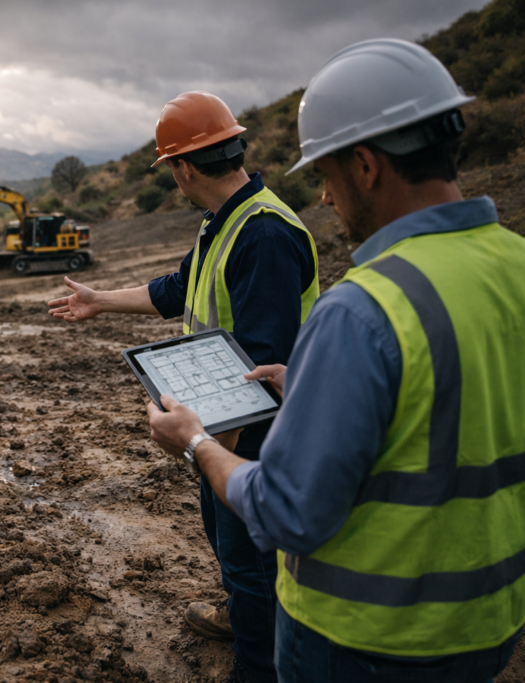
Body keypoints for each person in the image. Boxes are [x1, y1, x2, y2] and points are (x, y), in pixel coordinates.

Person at [146, 38, 525, 683]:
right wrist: (311, 385)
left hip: (363, 636)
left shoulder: (364, 310)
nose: (323, 199)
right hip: (488, 623)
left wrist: (197, 442)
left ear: (367, 165)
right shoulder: (515, 265)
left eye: (324, 174)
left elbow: (284, 510)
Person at [48, 91, 319, 683]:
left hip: (254, 433)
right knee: (231, 553)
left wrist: (212, 453)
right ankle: (243, 615)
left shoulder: (264, 235)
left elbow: (263, 369)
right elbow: (178, 289)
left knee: (250, 561)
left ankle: (258, 664)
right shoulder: (225, 221)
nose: (174, 177)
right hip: (220, 425)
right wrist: (101, 301)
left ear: (185, 167)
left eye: (171, 166)